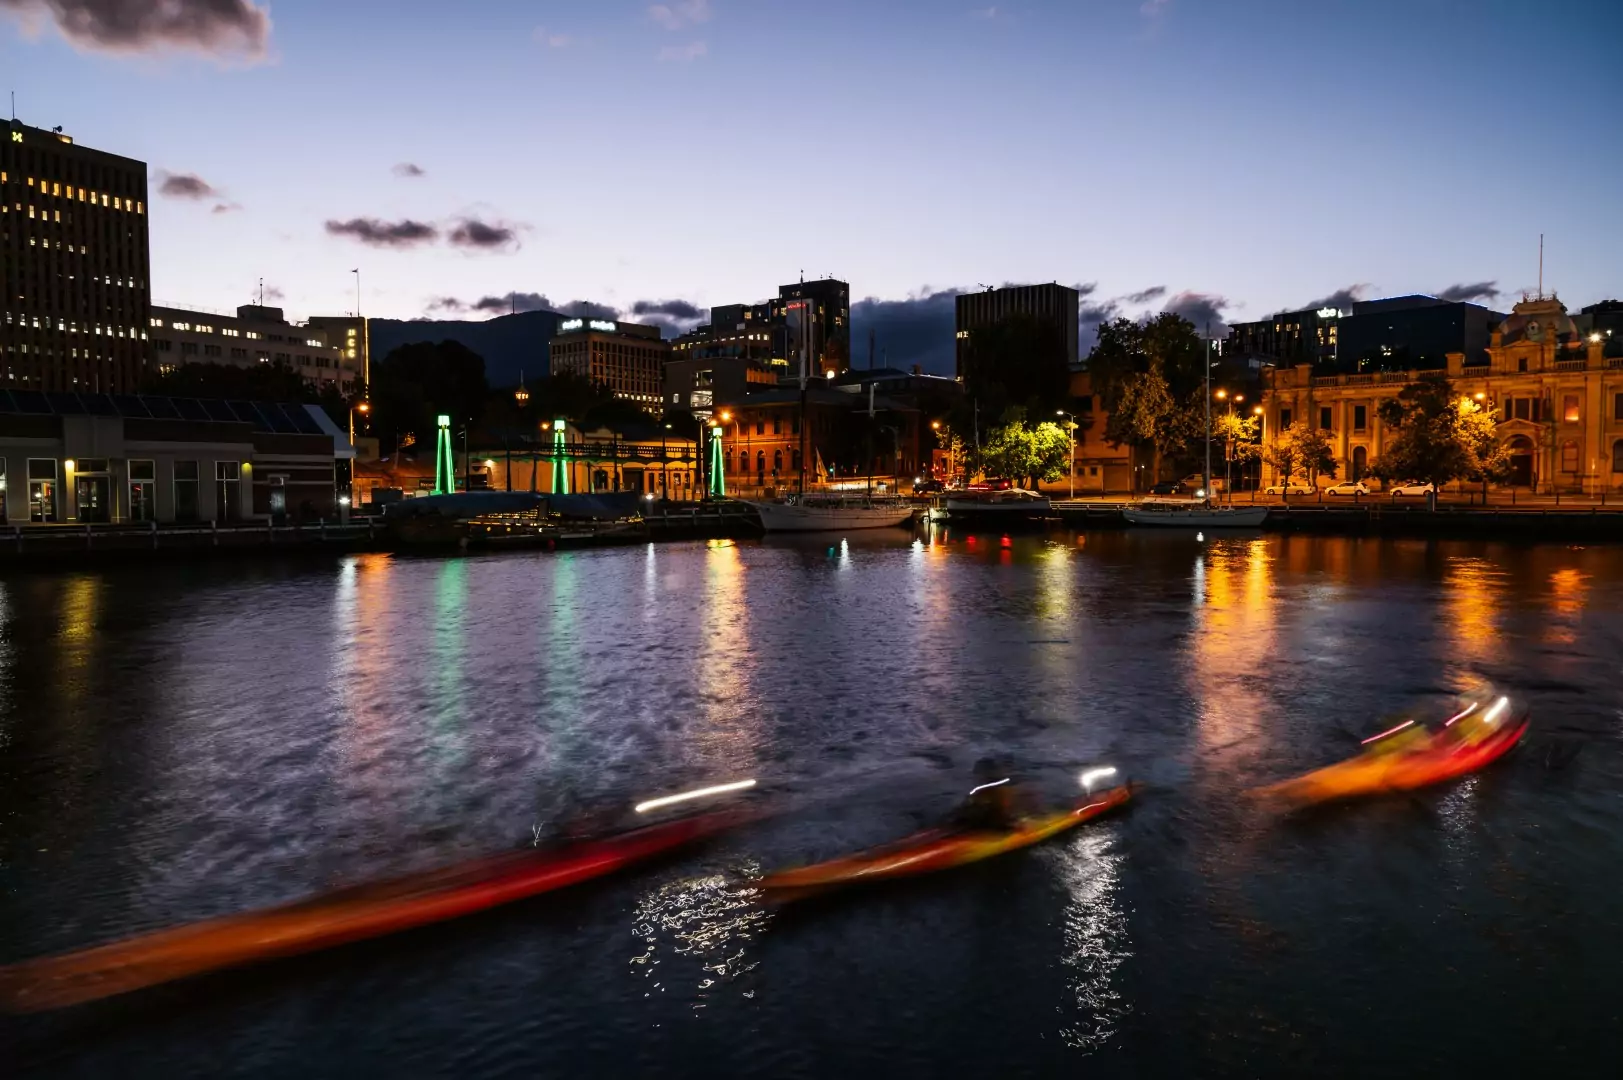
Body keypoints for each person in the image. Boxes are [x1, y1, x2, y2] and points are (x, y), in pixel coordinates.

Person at [951, 756, 1027, 832]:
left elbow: (1001, 815)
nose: (977, 777)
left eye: (979, 774)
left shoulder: (997, 791)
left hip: (998, 826)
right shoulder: (982, 791)